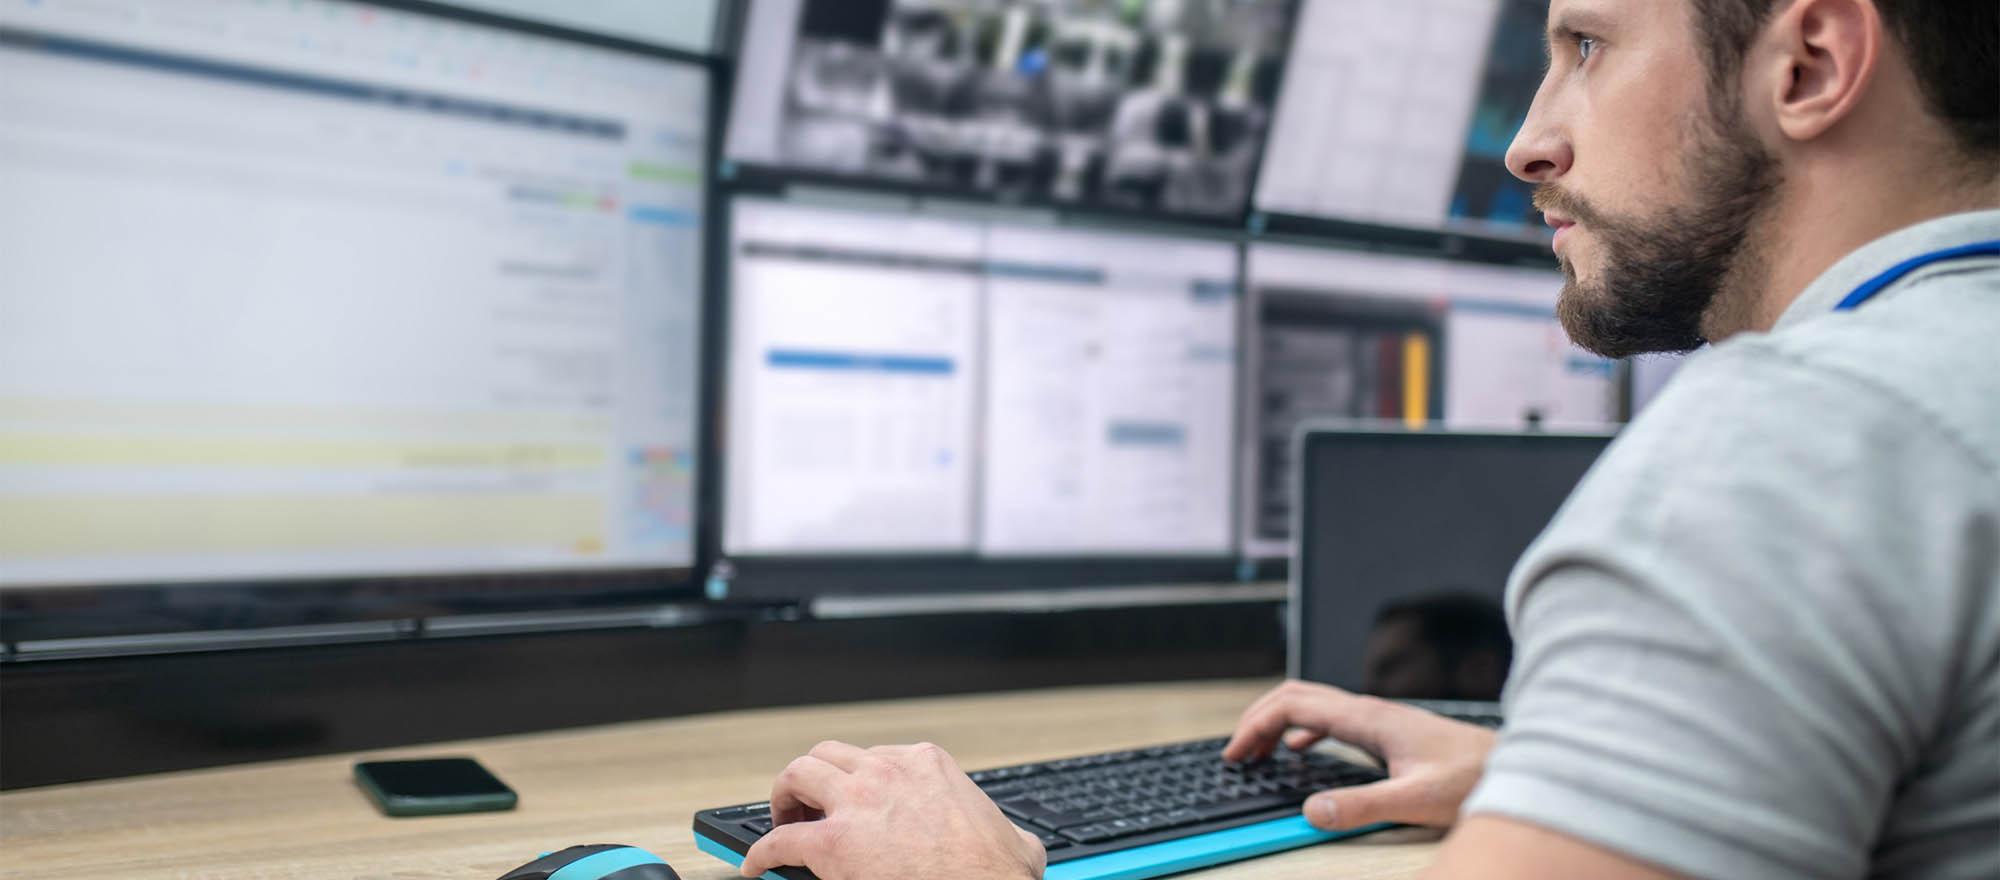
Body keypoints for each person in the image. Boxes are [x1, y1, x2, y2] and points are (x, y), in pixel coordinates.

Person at [736, 0, 2000, 877]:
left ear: (1810, 62)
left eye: (1586, 45)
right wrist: (1593, 772)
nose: (1527, 140)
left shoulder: (1789, 446)